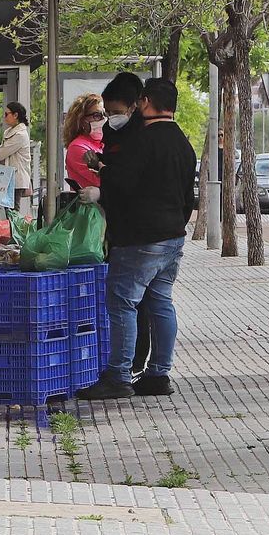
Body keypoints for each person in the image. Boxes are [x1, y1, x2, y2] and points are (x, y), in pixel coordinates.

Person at [79, 77, 198, 400]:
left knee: (121, 303)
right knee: (161, 303)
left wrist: (101, 181)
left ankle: (118, 375)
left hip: (139, 237)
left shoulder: (143, 141)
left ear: (144, 102)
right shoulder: (183, 144)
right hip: (172, 236)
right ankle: (159, 374)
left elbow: (124, 183)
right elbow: (189, 197)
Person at [99, 72, 154, 373]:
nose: (110, 118)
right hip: (121, 228)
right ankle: (132, 364)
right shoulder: (113, 132)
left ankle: (131, 365)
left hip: (138, 229)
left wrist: (105, 175)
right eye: (108, 112)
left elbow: (129, 179)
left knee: (134, 302)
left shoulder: (142, 136)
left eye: (115, 112)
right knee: (132, 301)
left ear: (135, 106)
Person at [0, 101, 33, 213]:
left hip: (16, 178)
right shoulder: (9, 132)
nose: (5, 117)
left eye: (6, 114)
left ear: (15, 115)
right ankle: (11, 230)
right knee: (8, 211)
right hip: (8, 178)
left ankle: (15, 231)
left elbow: (0, 153)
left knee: (13, 212)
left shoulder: (20, 135)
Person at [63, 92, 106, 195]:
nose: (104, 119)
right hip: (91, 208)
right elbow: (105, 181)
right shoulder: (78, 147)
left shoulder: (103, 144)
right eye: (97, 115)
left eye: (105, 114)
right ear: (81, 120)